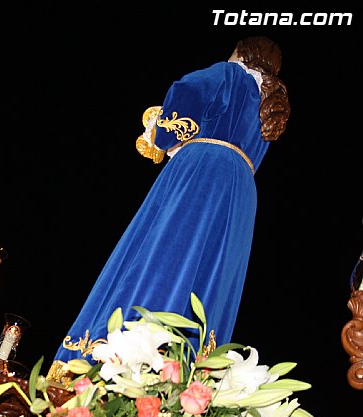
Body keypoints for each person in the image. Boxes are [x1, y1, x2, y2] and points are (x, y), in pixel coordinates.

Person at [52, 36, 290, 364]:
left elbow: (188, 90)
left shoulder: (231, 74)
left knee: (166, 252)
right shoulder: (270, 101)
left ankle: (124, 348)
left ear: (241, 52)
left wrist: (165, 134)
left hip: (203, 172)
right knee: (212, 272)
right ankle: (185, 367)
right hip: (240, 193)